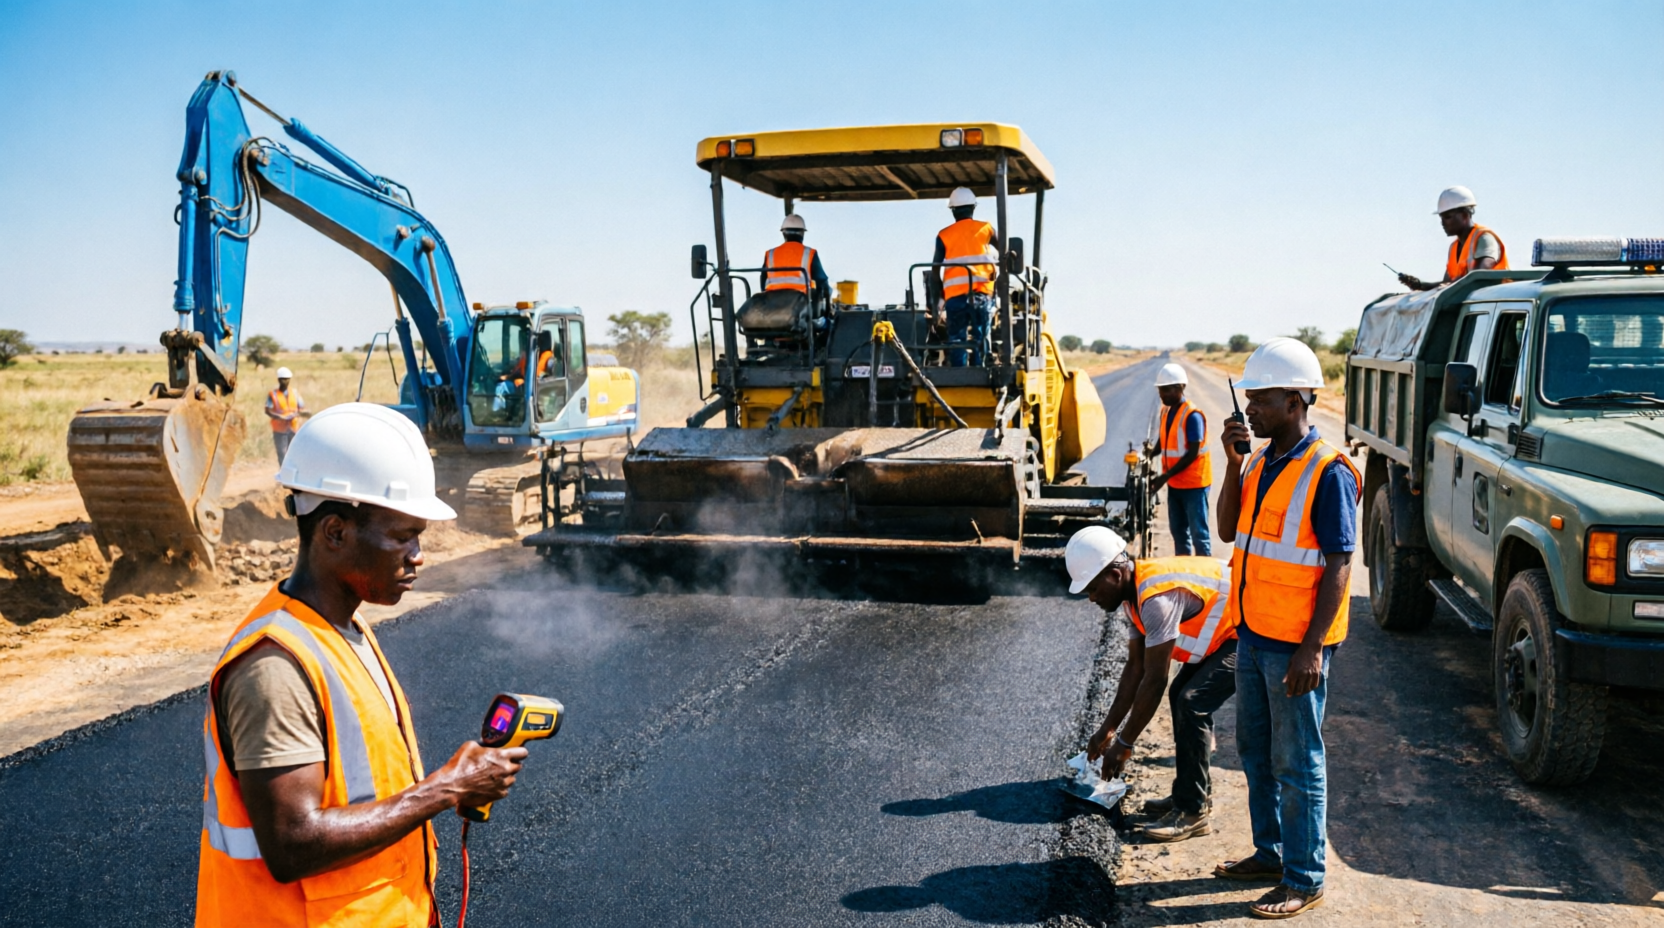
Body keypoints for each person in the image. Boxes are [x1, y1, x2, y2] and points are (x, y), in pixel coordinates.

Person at [196, 403, 528, 927]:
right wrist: (447, 787)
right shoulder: (275, 666)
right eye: (402, 536)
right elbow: (292, 844)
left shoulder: (344, 629)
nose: (418, 554)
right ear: (335, 532)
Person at [1214, 337, 1359, 919]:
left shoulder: (1328, 471)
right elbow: (1228, 530)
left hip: (1294, 645)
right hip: (1252, 635)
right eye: (1248, 398)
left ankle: (1304, 877)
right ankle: (1271, 853)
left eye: (1262, 400)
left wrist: (1312, 649)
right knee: (1255, 751)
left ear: (1296, 401)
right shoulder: (1256, 462)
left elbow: (1340, 563)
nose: (1250, 409)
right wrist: (1232, 464)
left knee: (1297, 763)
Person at [1069, 526, 1237, 844]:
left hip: (1249, 629)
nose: (1091, 598)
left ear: (1115, 575)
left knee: (1191, 700)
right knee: (1182, 696)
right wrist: (1108, 729)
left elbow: (1155, 678)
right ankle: (1191, 794)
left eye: (1092, 588)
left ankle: (1192, 813)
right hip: (1226, 632)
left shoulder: (1155, 600)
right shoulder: (1132, 598)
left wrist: (1125, 743)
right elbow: (1136, 668)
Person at [1151, 362, 1213, 555]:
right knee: (1178, 533)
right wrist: (1149, 454)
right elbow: (1163, 439)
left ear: (1180, 388)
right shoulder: (1165, 411)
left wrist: (1164, 476)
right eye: (1160, 390)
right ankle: (1183, 568)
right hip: (1175, 484)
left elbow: (1192, 452)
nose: (1161, 395)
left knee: (1199, 535)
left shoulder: (1192, 416)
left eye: (1166, 390)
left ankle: (1204, 570)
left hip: (1194, 485)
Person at [933, 187, 999, 366]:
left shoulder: (944, 235)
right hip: (981, 294)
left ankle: (958, 372)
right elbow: (1006, 251)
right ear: (973, 208)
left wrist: (936, 303)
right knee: (981, 335)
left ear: (953, 210)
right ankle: (980, 369)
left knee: (956, 338)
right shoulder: (986, 229)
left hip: (954, 297)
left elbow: (934, 272)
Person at [1398, 186, 1508, 291]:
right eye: (1441, 218)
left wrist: (1450, 285)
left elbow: (1479, 275)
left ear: (1465, 215)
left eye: (1447, 217)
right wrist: (1420, 285)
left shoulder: (1484, 238)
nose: (1442, 223)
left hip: (1499, 299)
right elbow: (1447, 284)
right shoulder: (1454, 247)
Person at [762, 213, 830, 303]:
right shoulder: (809, 253)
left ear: (784, 233)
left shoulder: (770, 254)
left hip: (772, 302)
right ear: (802, 233)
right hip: (800, 302)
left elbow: (763, 280)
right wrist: (827, 299)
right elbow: (821, 280)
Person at [264, 367, 306, 463]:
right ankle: (284, 471)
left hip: (294, 427)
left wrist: (300, 413)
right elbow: (267, 410)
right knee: (282, 453)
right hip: (279, 429)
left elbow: (302, 408)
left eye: (287, 379)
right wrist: (278, 417)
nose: (285, 381)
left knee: (294, 452)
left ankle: (293, 471)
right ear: (279, 380)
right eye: (283, 379)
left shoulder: (295, 393)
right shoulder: (273, 394)